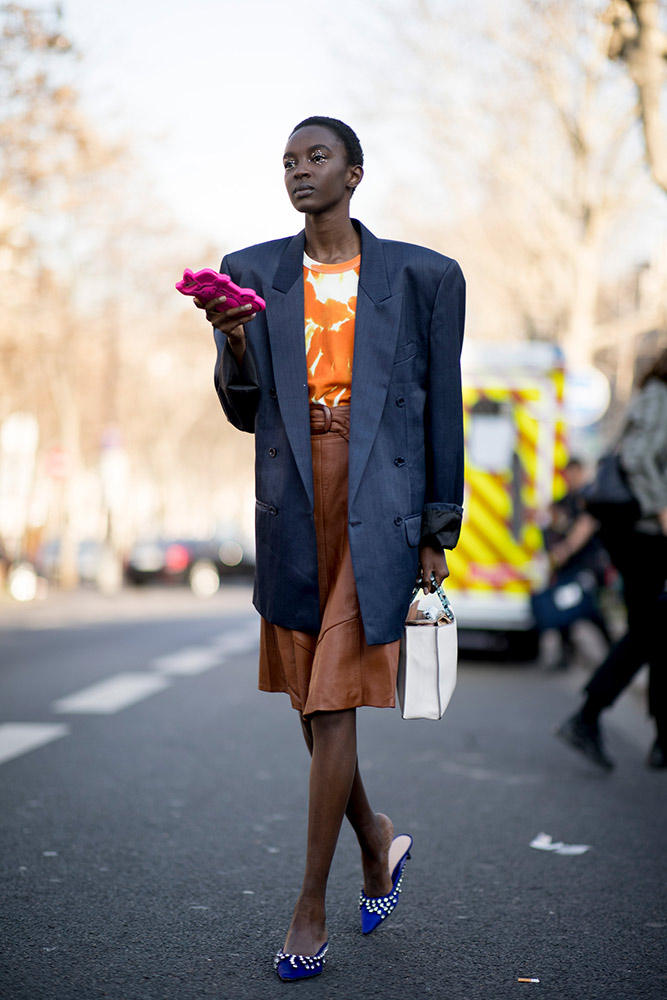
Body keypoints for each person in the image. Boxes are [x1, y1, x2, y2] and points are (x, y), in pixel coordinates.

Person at [195, 117, 465, 980]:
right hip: (292, 494)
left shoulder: (424, 276)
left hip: (379, 493)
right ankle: (376, 838)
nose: (298, 171)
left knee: (336, 694)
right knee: (313, 701)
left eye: (316, 158)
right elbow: (244, 408)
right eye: (286, 160)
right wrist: (234, 336)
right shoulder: (249, 273)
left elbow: (439, 409)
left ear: (354, 172)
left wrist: (436, 529)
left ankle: (309, 906)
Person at [557, 347, 667, 770]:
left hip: (642, 533)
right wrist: (662, 510)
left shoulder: (654, 393)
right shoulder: (660, 393)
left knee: (653, 629)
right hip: (644, 533)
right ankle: (589, 715)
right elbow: (639, 458)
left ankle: (645, 734)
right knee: (651, 628)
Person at [541, 457, 612, 669]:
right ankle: (566, 654)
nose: (571, 478)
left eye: (574, 473)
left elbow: (585, 526)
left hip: (587, 565)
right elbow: (551, 525)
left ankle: (612, 652)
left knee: (593, 611)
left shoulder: (589, 498)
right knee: (564, 610)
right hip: (567, 568)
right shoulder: (562, 501)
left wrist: (566, 549)